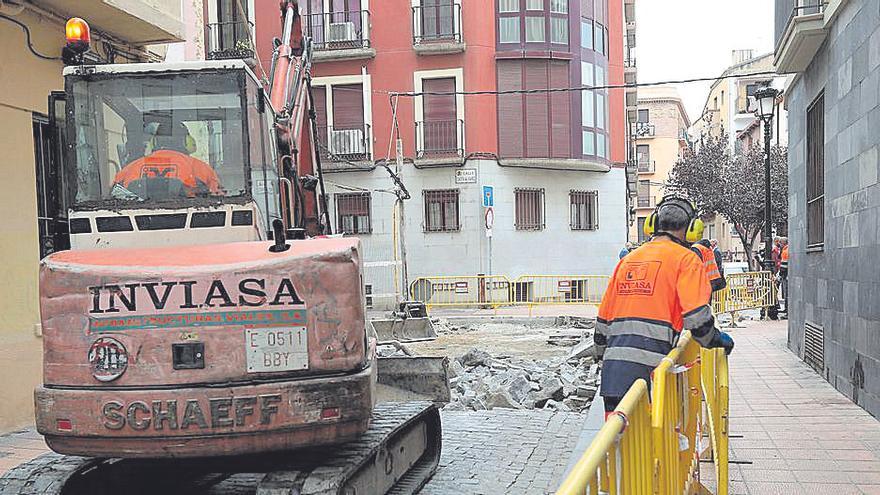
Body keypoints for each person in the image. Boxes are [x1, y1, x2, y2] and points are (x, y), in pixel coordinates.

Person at [594, 196, 734, 417]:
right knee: (656, 446)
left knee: (621, 446)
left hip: (614, 375)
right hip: (655, 374)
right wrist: (716, 340)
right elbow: (697, 320)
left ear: (653, 224)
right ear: (692, 230)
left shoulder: (627, 261)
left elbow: (602, 322)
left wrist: (603, 356)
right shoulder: (686, 260)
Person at [113, 122, 223, 197]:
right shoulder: (200, 168)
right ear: (187, 141)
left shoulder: (131, 168)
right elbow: (218, 198)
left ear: (153, 142)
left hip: (142, 226)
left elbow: (114, 196)